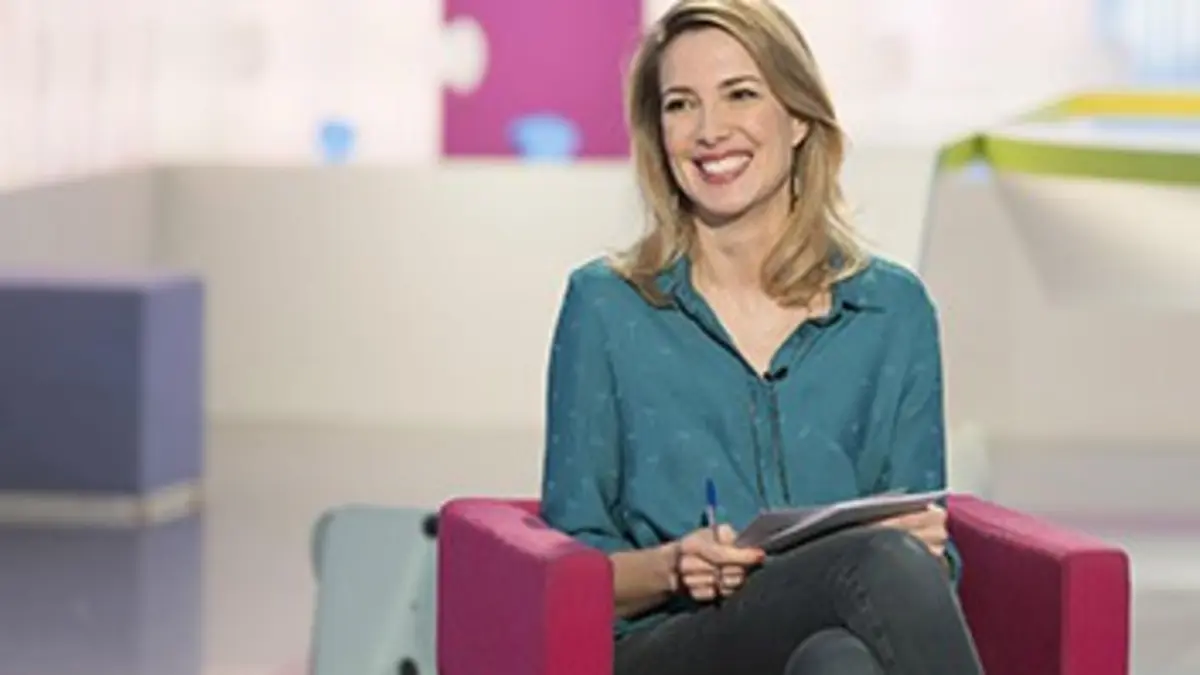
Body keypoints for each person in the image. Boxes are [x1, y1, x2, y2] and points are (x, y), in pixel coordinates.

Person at [538, 1, 984, 673]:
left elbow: (928, 553)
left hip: (835, 626)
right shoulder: (606, 306)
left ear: (798, 117)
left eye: (740, 94)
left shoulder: (893, 310)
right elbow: (563, 570)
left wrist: (924, 545)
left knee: (839, 660)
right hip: (671, 644)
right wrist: (674, 565)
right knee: (876, 565)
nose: (709, 131)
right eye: (681, 105)